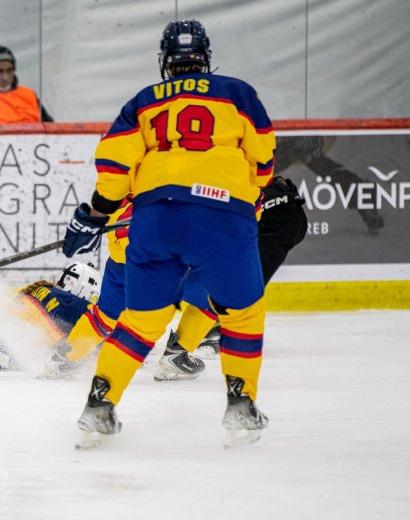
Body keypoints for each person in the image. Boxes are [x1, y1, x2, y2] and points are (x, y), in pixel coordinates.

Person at [62, 19, 276, 449]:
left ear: (165, 61)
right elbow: (264, 159)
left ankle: (98, 405)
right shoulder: (237, 93)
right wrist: (245, 196)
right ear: (205, 57)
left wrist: (94, 213)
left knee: (139, 322)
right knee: (242, 313)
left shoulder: (141, 101)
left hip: (155, 219)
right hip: (222, 215)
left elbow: (115, 171)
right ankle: (241, 402)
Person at [48, 176, 306, 376]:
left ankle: (66, 357)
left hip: (127, 247)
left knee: (107, 313)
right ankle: (177, 355)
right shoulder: (234, 179)